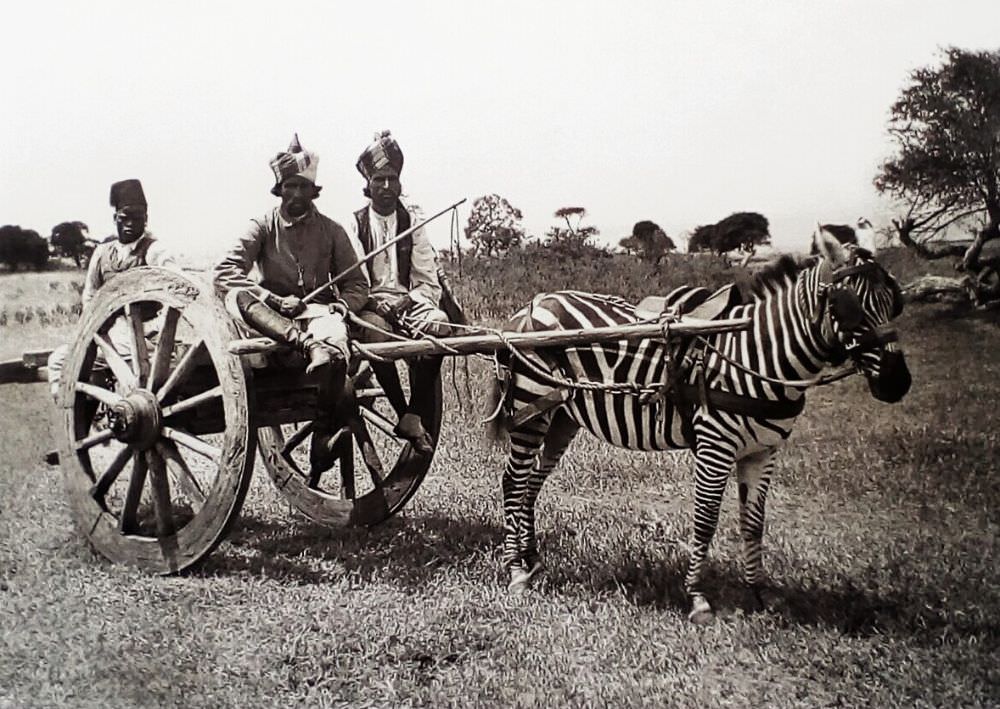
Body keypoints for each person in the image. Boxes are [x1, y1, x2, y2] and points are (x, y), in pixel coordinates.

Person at [213, 134, 369, 474]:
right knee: (238, 296)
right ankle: (308, 346)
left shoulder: (332, 231)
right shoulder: (262, 226)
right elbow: (225, 272)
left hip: (318, 316)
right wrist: (271, 298)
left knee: (334, 343)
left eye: (303, 187)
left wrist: (342, 307)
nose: (297, 194)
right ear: (279, 190)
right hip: (269, 320)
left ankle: (322, 436)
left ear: (314, 191)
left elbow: (357, 284)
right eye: (290, 186)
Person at [349, 130, 450, 454]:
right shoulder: (354, 224)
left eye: (392, 179)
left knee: (440, 324)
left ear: (399, 182)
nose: (386, 186)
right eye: (379, 180)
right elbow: (353, 281)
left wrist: (408, 300)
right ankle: (400, 408)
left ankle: (413, 414)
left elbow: (427, 281)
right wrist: (374, 303)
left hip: (409, 302)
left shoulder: (413, 223)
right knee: (377, 335)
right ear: (368, 185)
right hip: (368, 305)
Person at [47, 179, 178, 399]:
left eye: (137, 218)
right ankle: (70, 401)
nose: (130, 224)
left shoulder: (155, 250)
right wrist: (95, 331)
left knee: (132, 371)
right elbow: (90, 297)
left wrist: (158, 329)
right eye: (124, 218)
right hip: (108, 338)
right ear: (115, 218)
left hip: (144, 339)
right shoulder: (102, 253)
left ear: (146, 219)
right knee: (59, 360)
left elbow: (177, 288)